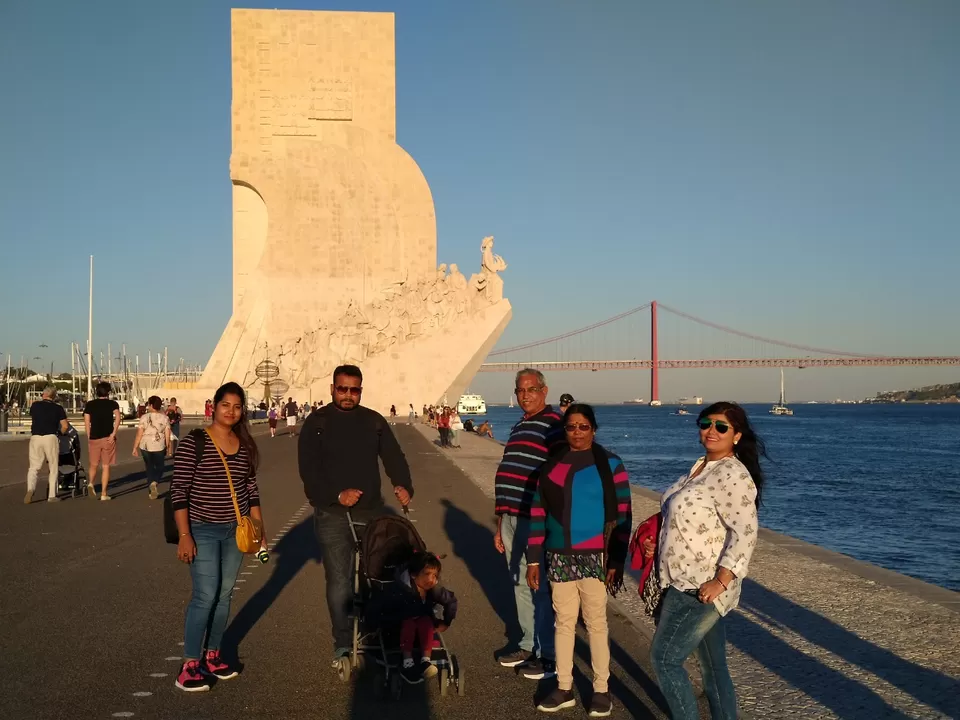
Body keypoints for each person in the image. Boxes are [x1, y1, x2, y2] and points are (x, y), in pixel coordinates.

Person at [645, 402, 765, 719]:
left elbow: (746, 532)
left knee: (665, 659)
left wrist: (721, 580)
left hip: (699, 586)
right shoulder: (701, 466)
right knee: (713, 668)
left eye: (721, 426)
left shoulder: (733, 474)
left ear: (736, 435)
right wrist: (654, 543)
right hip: (681, 578)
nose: (711, 430)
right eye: (706, 423)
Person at [298, 364, 414, 668]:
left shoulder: (373, 421)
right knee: (340, 581)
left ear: (361, 390)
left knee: (378, 577)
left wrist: (403, 485)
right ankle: (342, 644)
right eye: (342, 389)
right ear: (332, 388)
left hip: (371, 512)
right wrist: (337, 495)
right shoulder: (317, 422)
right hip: (332, 514)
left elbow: (393, 456)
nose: (348, 395)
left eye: (355, 389)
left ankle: (376, 634)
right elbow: (308, 471)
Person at [526, 403, 632, 716]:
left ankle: (601, 689)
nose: (576, 432)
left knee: (597, 623)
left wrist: (616, 559)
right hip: (559, 555)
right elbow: (536, 514)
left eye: (583, 426)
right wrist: (533, 559)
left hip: (596, 555)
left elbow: (624, 515)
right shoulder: (551, 465)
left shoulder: (611, 464)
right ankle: (563, 686)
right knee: (564, 623)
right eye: (571, 426)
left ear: (593, 429)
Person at [170, 382, 267, 693]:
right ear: (214, 406)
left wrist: (259, 530)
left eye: (237, 407)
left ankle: (212, 655)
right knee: (205, 595)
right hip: (203, 528)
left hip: (235, 530)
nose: (231, 411)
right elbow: (179, 492)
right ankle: (188, 665)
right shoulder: (194, 442)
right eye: (226, 405)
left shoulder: (245, 444)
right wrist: (185, 535)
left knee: (225, 595)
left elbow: (250, 490)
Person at [493, 368, 563, 678]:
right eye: (520, 390)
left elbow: (561, 477)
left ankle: (548, 654)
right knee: (519, 583)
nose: (525, 395)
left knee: (540, 587)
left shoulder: (554, 426)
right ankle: (526, 643)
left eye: (531, 389)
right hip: (510, 517)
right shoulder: (521, 424)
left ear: (544, 391)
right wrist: (499, 524)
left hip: (535, 520)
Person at [371, 551, 458, 685]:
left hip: (422, 622)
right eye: (427, 574)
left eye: (435, 575)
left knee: (426, 622)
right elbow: (380, 606)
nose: (432, 579)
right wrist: (375, 624)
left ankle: (425, 660)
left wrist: (446, 622)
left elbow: (451, 601)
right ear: (413, 575)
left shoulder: (432, 589)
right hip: (398, 625)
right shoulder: (399, 590)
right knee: (409, 623)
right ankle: (407, 662)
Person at [25, 384, 69, 504]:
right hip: (50, 437)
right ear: (54, 396)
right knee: (53, 467)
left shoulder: (35, 406)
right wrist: (60, 433)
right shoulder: (58, 408)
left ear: (44, 394)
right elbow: (65, 426)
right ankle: (52, 495)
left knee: (34, 467)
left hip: (35, 437)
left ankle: (30, 489)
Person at [83, 381, 122, 501]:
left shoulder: (90, 404)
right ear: (108, 392)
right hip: (107, 437)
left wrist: (89, 435)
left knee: (93, 464)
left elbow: (87, 422)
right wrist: (114, 433)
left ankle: (91, 483)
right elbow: (118, 417)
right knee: (106, 466)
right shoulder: (112, 404)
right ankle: (104, 493)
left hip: (94, 437)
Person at [133, 395, 172, 499]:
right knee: (160, 466)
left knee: (149, 466)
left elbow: (139, 433)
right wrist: (168, 446)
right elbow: (167, 433)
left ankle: (151, 490)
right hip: (159, 444)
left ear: (150, 405)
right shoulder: (165, 418)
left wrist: (135, 447)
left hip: (145, 445)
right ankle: (155, 482)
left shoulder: (144, 417)